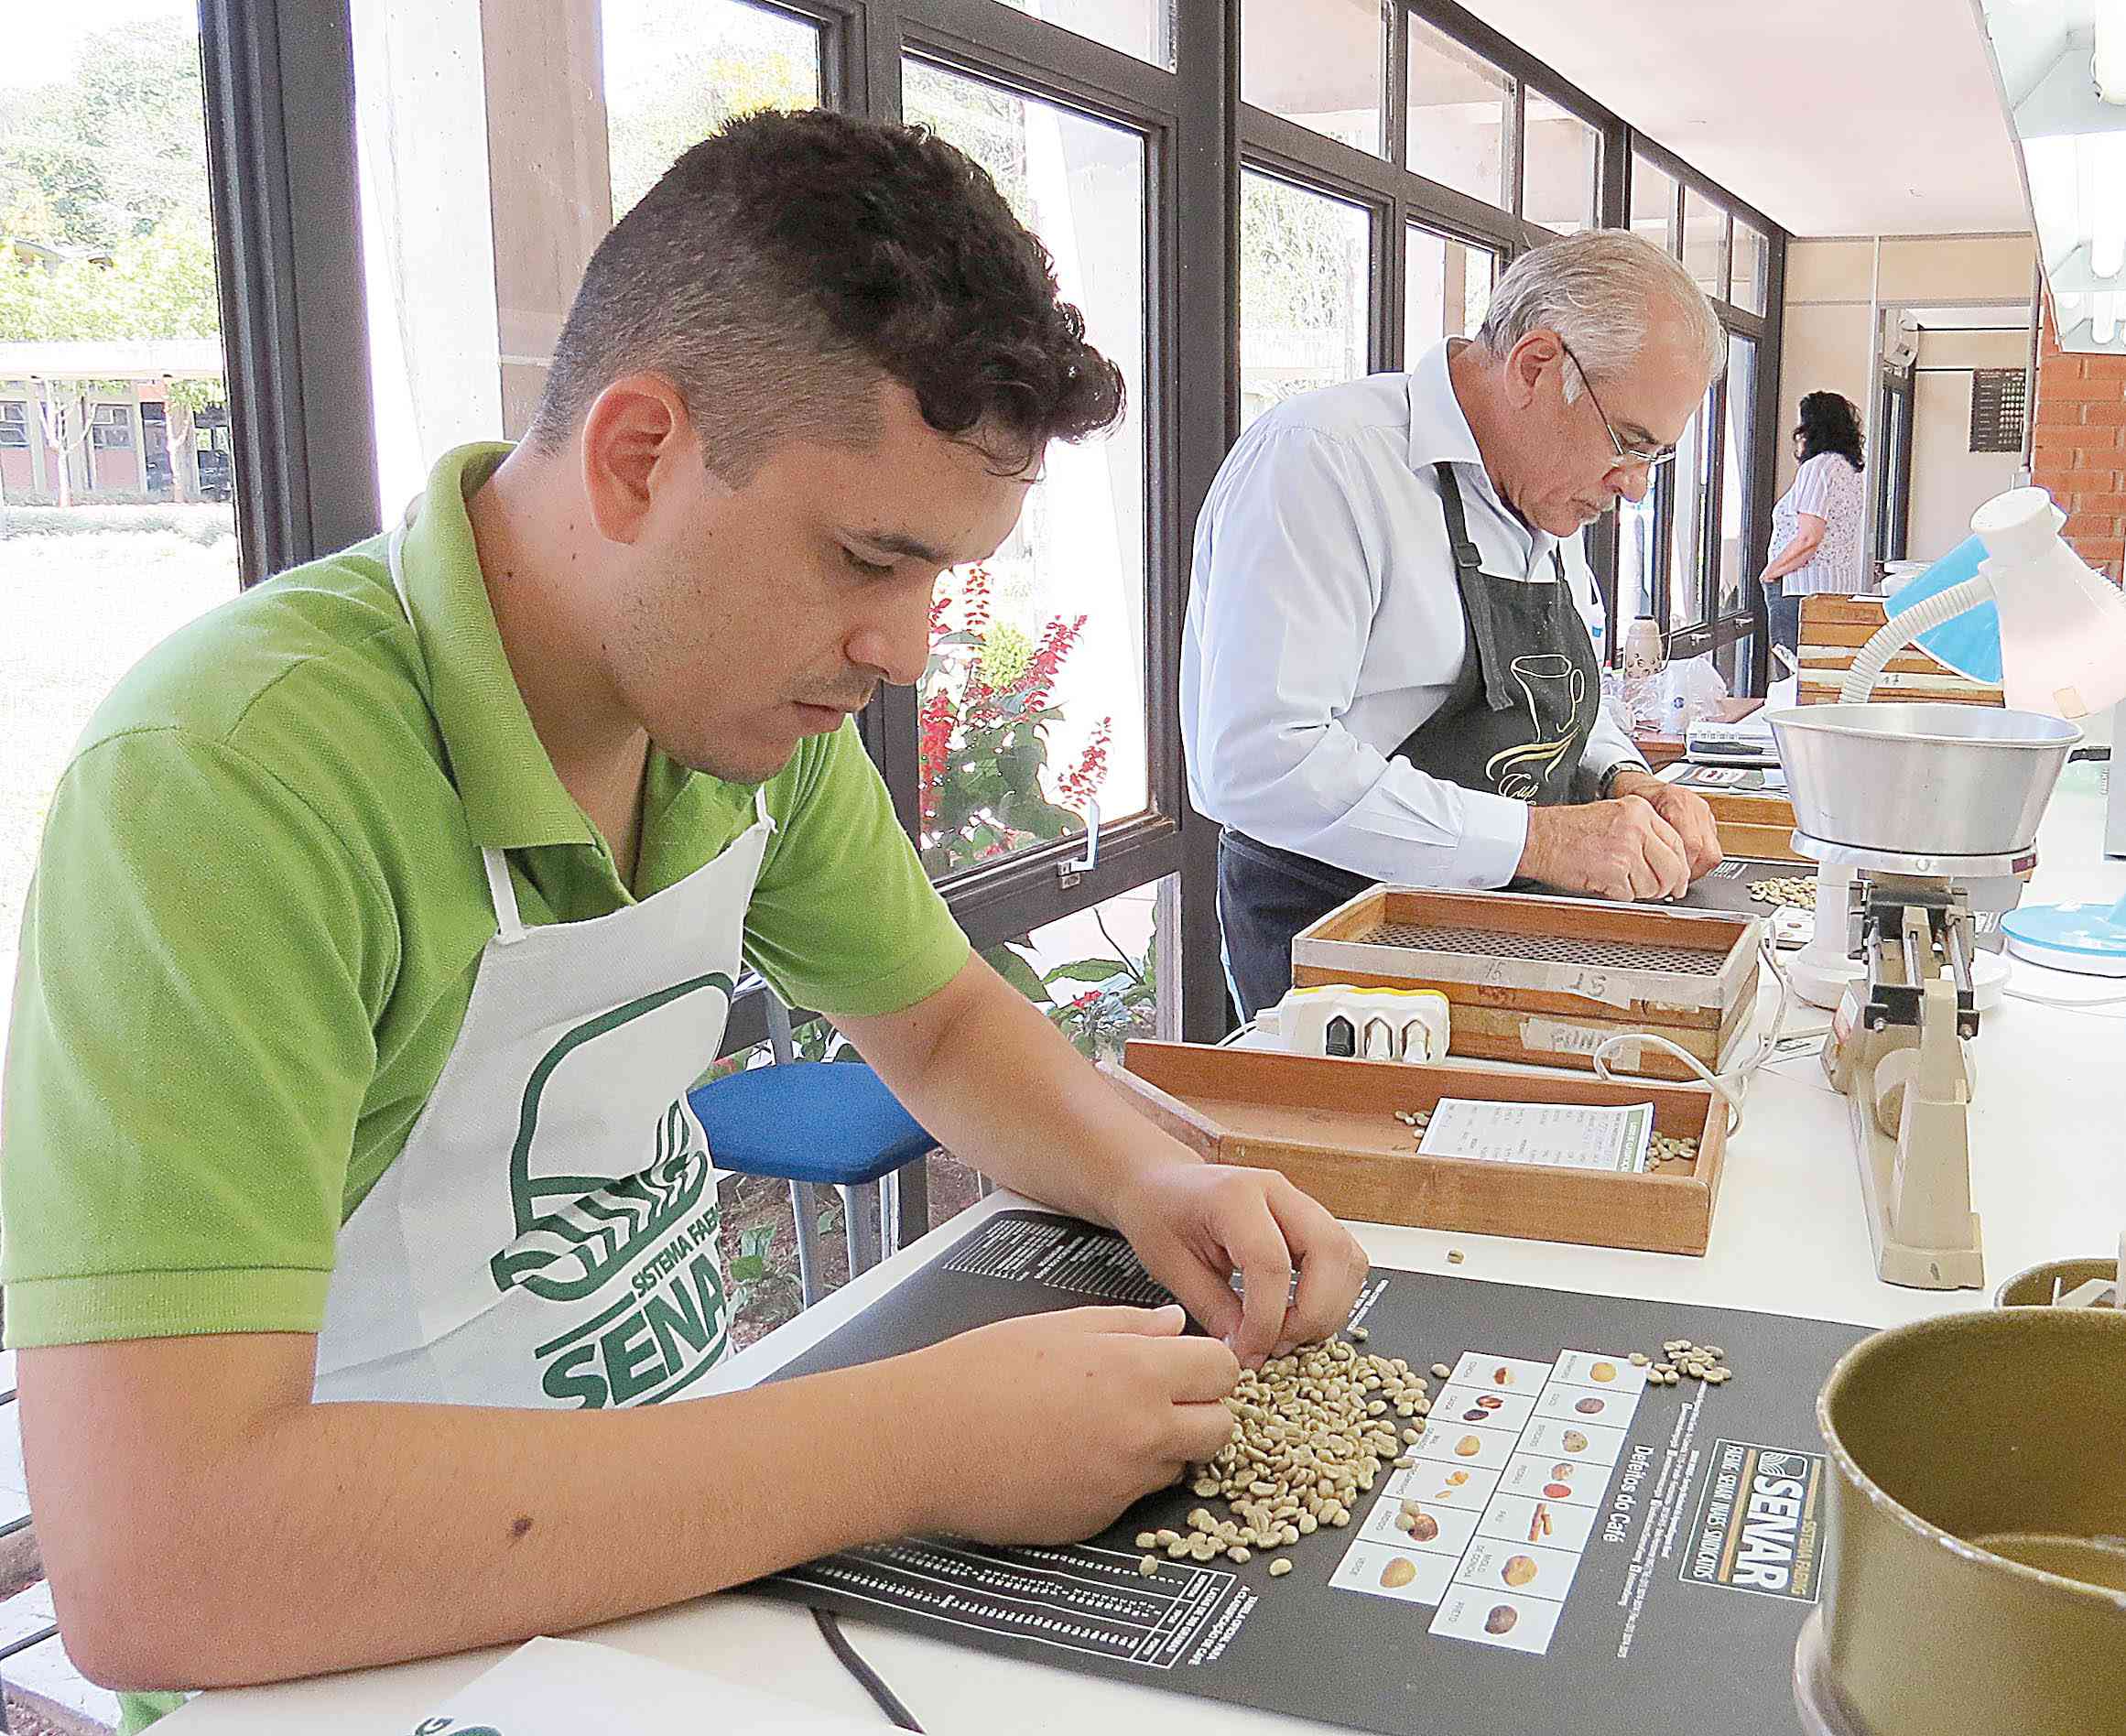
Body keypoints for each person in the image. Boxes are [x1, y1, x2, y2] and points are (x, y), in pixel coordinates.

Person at [0, 111, 1368, 1725]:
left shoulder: (729, 717)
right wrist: (907, 1443)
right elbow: (164, 1561)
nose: (907, 650)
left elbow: (932, 1019)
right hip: (343, 1670)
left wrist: (1153, 1172)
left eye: (942, 579)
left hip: (677, 1537)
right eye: (871, 557)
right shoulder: (235, 782)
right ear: (639, 452)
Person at [1182, 230, 1727, 1021]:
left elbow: (1562, 697)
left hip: (1500, 931)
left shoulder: (1540, 493)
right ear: (1538, 367)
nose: (1635, 488)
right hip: (1340, 942)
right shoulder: (1326, 462)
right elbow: (1258, 761)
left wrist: (1620, 776)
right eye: (1629, 444)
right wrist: (1541, 842)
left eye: (1658, 457)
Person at [1759, 391, 1867, 664]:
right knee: (1823, 676)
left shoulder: (1817, 468)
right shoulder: (1849, 470)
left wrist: (1771, 572)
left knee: (1793, 676)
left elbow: (1809, 537)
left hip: (1800, 588)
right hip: (1839, 588)